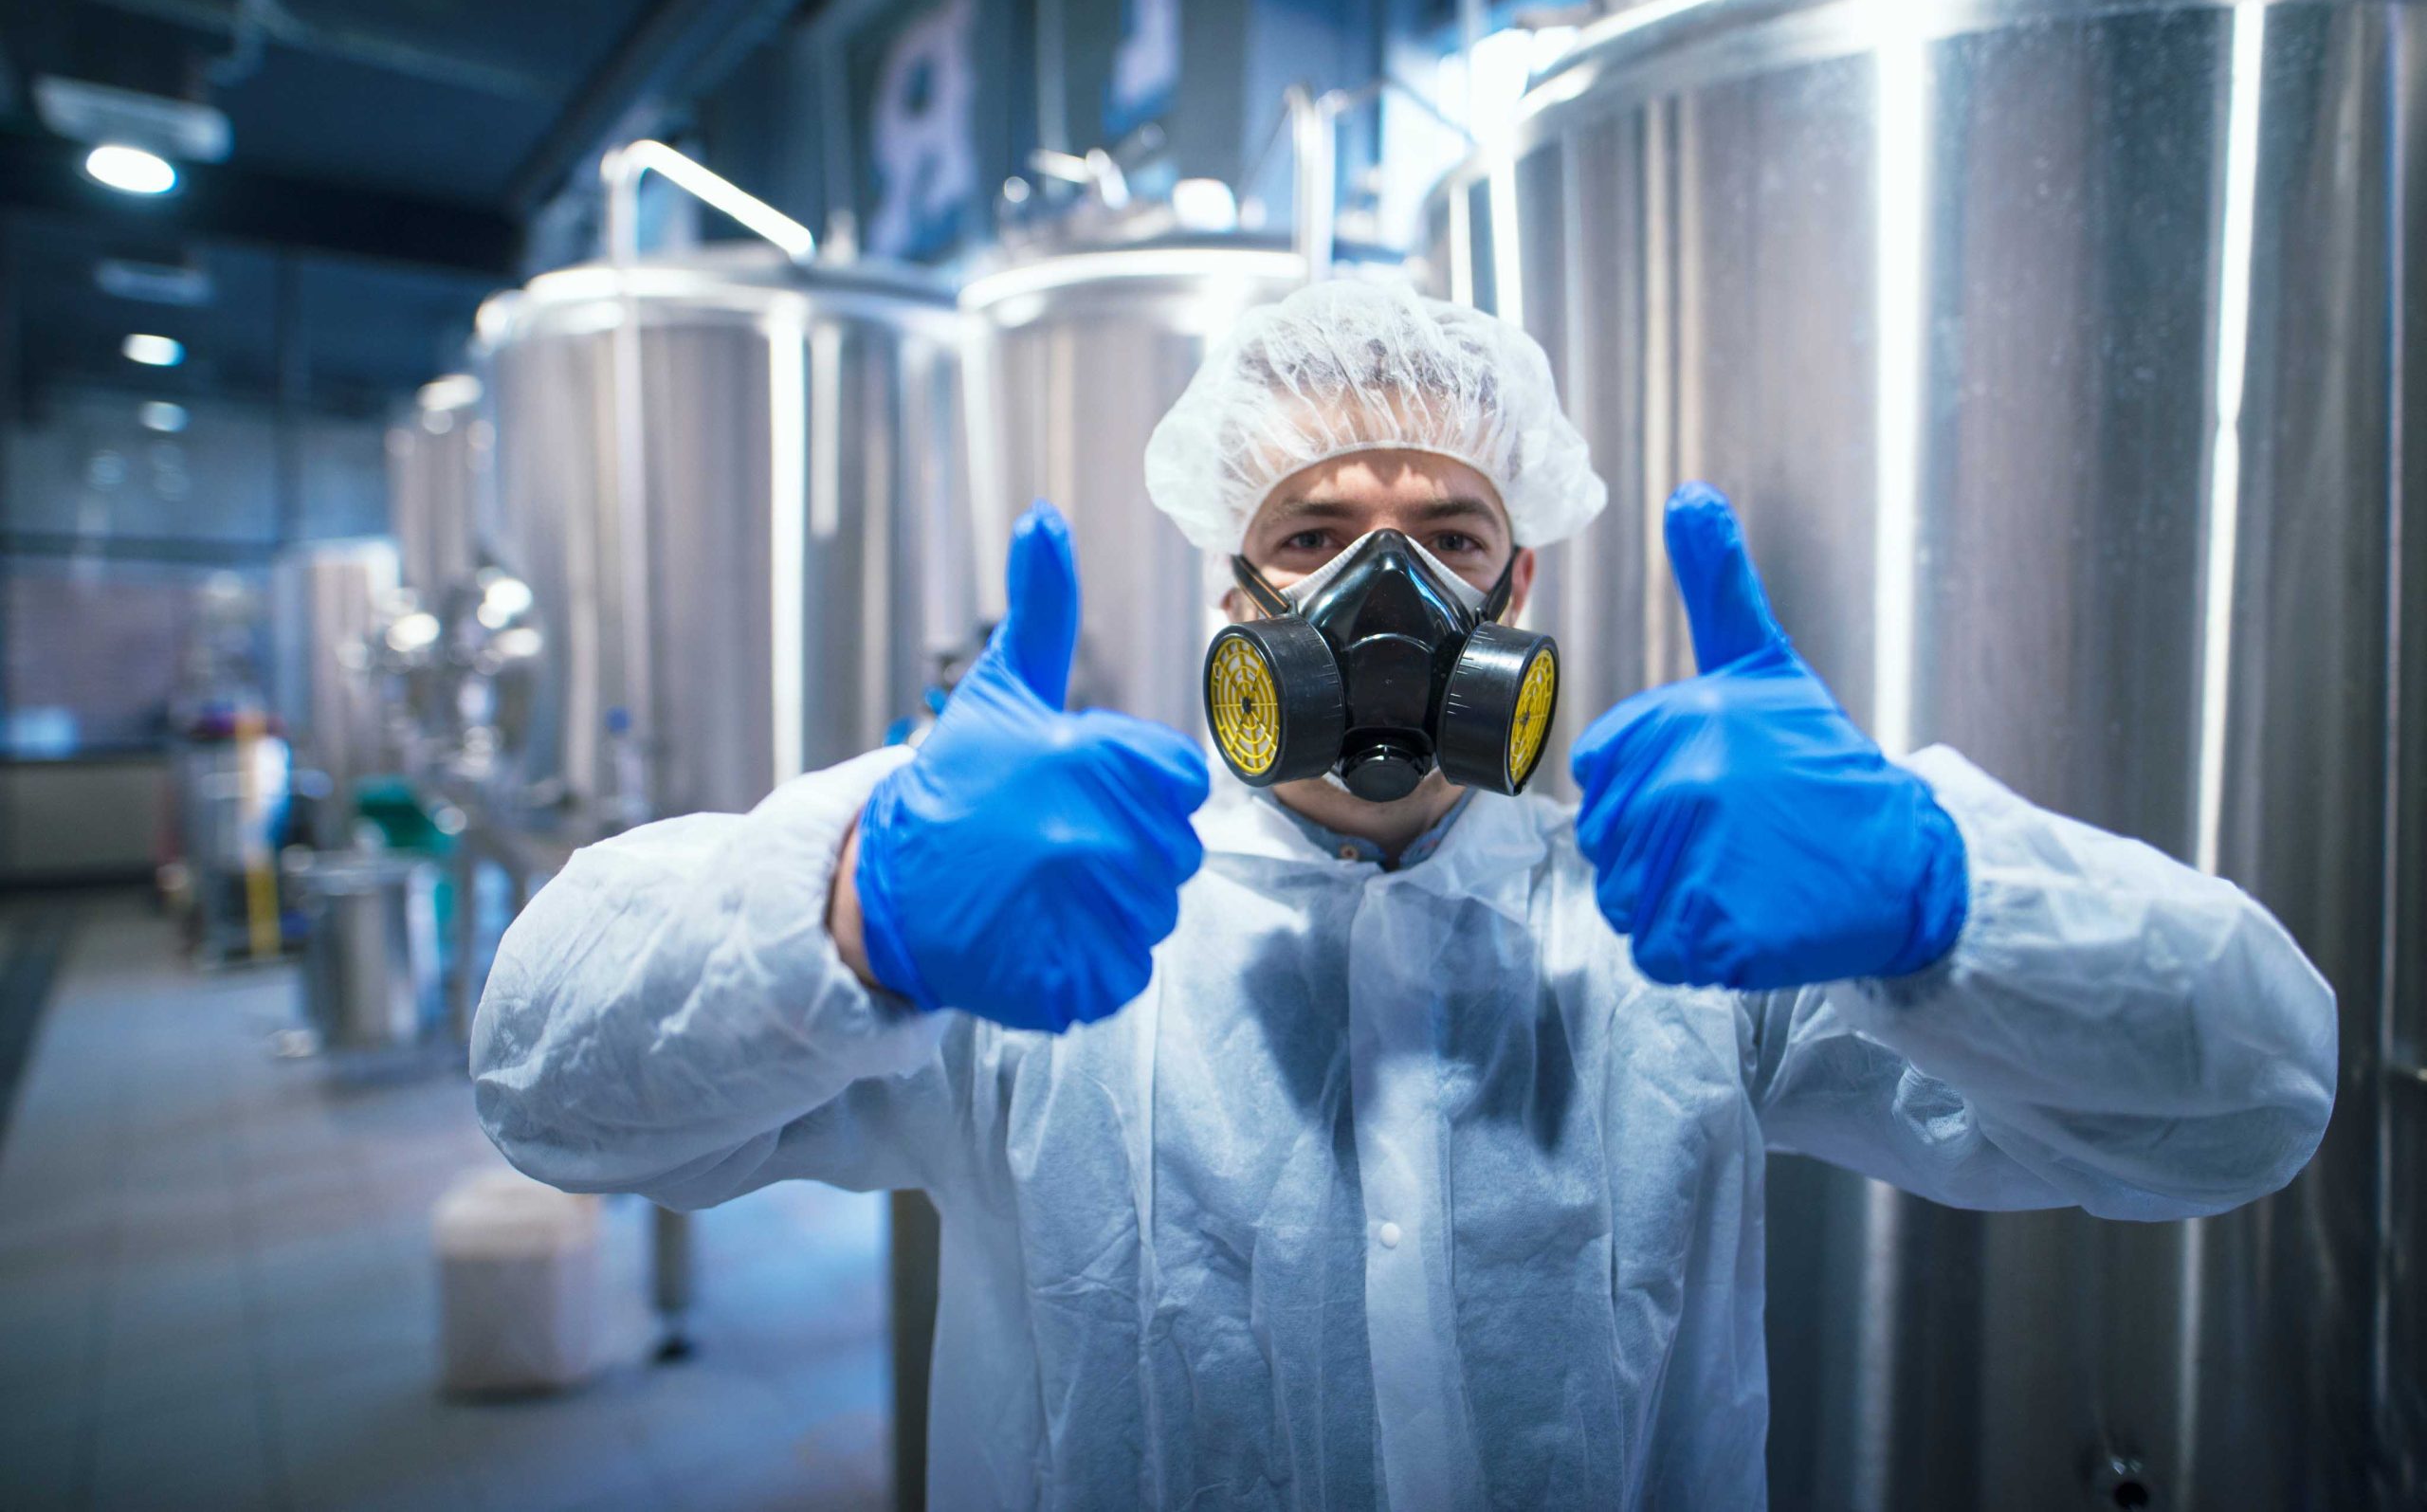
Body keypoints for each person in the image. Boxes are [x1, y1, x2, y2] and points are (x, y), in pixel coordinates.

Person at [474, 280, 2336, 1509]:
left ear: (1518, 589)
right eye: (1310, 535)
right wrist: (849, 917)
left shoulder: (1683, 916)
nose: (1386, 597)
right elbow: (544, 1084)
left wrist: (1946, 903)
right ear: (1230, 600)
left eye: (1445, 537)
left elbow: (2246, 1106)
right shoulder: (1044, 911)